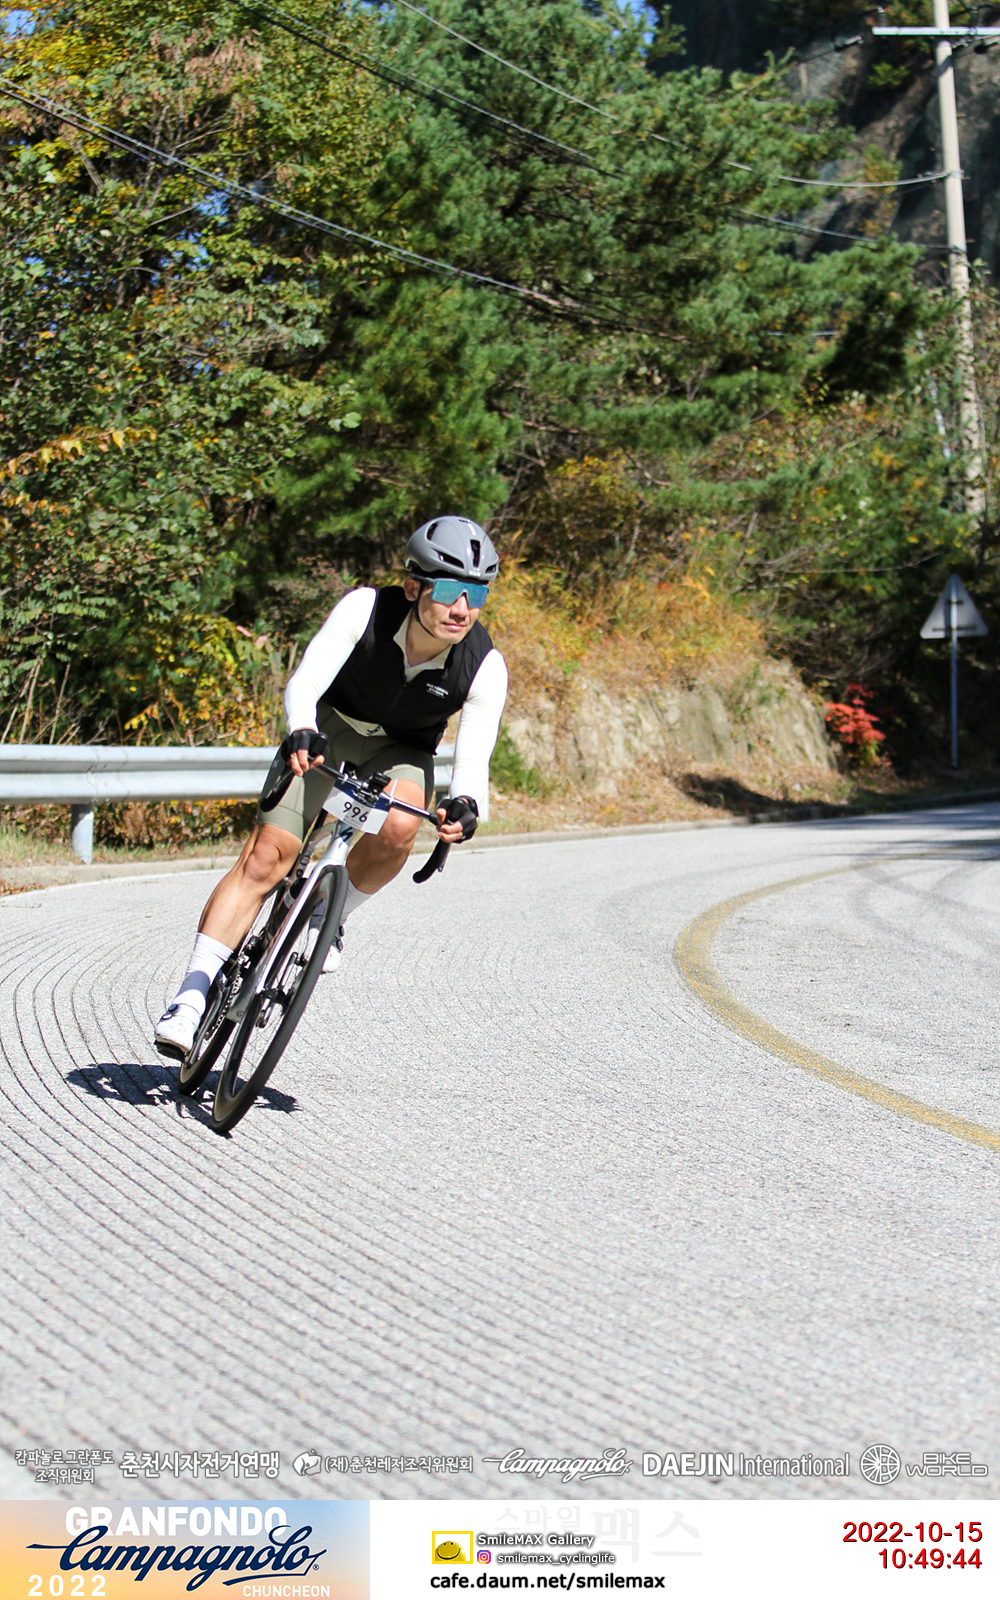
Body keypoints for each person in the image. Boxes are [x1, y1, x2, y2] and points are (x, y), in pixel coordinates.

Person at [154, 515, 508, 1059]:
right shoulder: (364, 609)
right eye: (448, 590)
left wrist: (465, 804)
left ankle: (329, 916)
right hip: (328, 730)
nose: (462, 607)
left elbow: (474, 755)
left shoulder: (484, 664)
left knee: (401, 825)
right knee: (265, 859)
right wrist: (302, 727)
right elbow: (307, 679)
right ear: (413, 587)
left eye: (476, 594)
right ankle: (190, 997)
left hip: (402, 750)